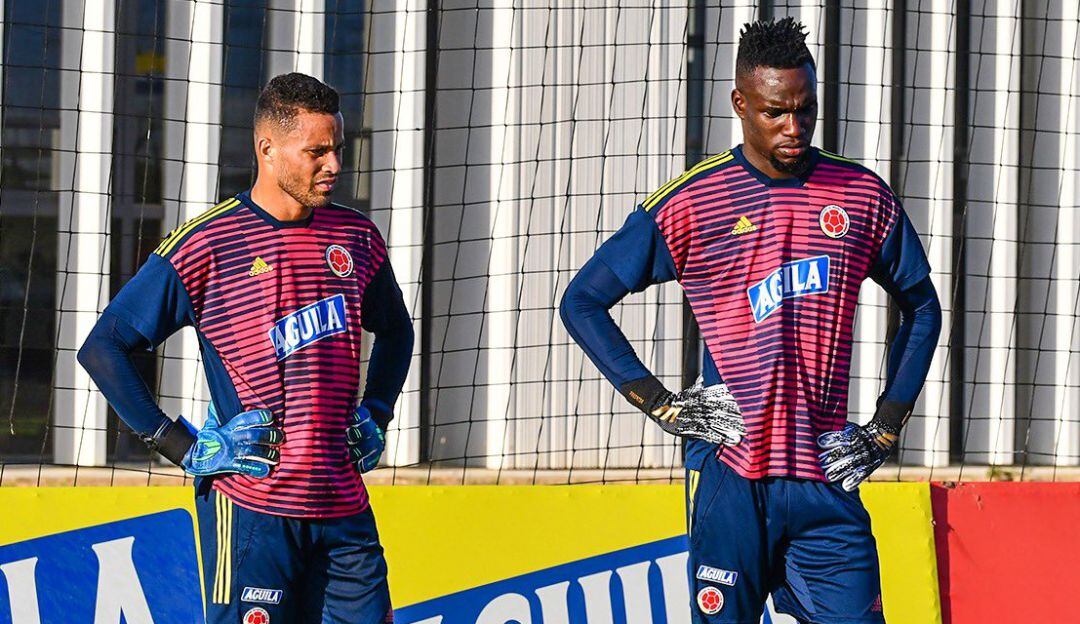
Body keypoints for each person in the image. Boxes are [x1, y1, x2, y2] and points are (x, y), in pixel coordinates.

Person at [559, 18, 941, 624]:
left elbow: (923, 307)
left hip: (825, 477)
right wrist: (661, 403)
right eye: (775, 112)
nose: (794, 128)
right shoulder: (692, 200)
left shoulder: (861, 194)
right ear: (740, 103)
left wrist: (886, 426)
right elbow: (581, 301)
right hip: (731, 476)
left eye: (806, 110)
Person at [78, 73, 412, 624]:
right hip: (253, 509)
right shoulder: (207, 242)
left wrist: (376, 412)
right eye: (317, 151)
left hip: (345, 508)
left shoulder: (356, 237)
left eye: (338, 150)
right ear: (267, 149)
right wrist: (180, 446)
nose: (333, 166)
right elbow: (104, 347)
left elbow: (397, 331)